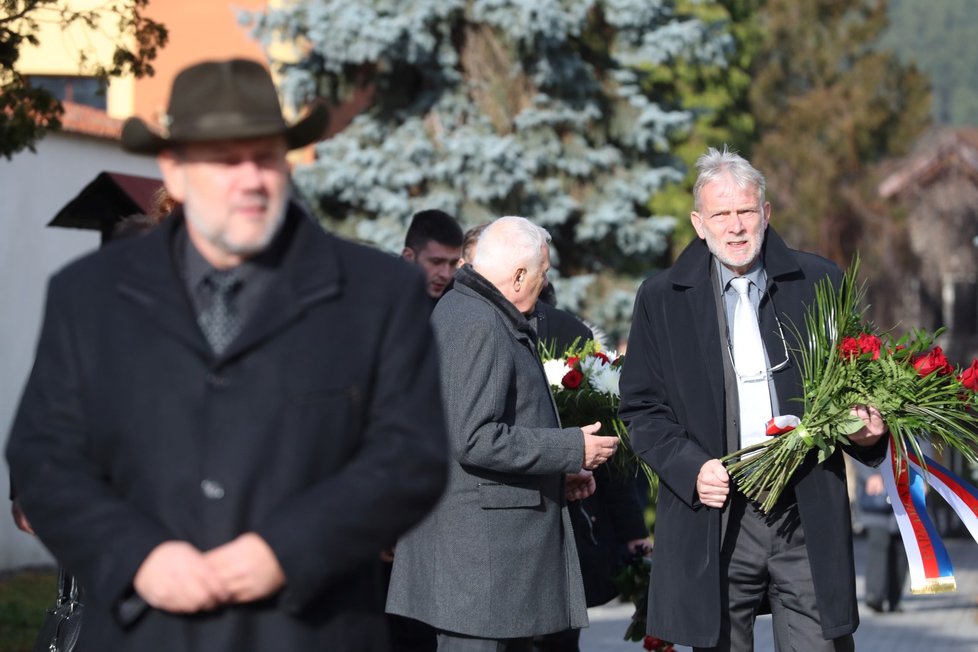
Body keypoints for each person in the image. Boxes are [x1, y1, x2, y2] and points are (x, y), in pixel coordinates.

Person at [6, 58, 448, 652]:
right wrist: (139, 555)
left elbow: (410, 457)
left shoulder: (375, 293)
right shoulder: (90, 294)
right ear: (177, 172)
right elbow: (44, 459)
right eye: (223, 160)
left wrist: (284, 551)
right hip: (142, 631)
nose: (250, 179)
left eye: (265, 156)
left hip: (313, 631)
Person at [618, 145, 890, 651]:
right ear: (699, 224)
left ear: (766, 213)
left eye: (746, 210)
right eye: (722, 214)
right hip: (715, 515)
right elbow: (641, 407)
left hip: (802, 508)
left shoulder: (819, 282)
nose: (736, 226)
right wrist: (690, 466)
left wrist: (871, 433)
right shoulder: (661, 298)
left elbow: (859, 384)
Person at [387, 215, 620, 651]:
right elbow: (475, 438)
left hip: (486, 572)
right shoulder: (478, 322)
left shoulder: (471, 311)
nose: (544, 282)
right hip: (481, 574)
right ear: (517, 276)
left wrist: (557, 474)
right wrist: (572, 448)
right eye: (542, 273)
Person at [855, 462, 907, 613]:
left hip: (903, 495)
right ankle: (875, 596)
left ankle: (894, 599)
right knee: (878, 545)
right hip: (876, 496)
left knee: (900, 550)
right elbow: (856, 448)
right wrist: (871, 474)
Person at [402, 209, 463, 301]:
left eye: (453, 263)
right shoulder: (379, 296)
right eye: (436, 262)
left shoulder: (459, 300)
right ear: (408, 257)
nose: (446, 275)